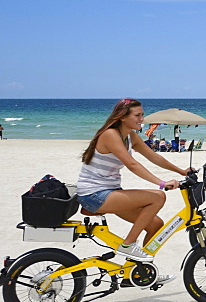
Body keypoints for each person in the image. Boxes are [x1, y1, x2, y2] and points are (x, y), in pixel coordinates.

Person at [76, 98, 189, 268]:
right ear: (122, 117)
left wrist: (182, 171)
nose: (142, 119)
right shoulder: (110, 135)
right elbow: (132, 164)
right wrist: (161, 183)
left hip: (110, 191)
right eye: (137, 115)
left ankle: (139, 270)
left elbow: (154, 156)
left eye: (142, 115)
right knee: (158, 197)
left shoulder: (130, 136)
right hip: (94, 195)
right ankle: (128, 245)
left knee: (156, 225)